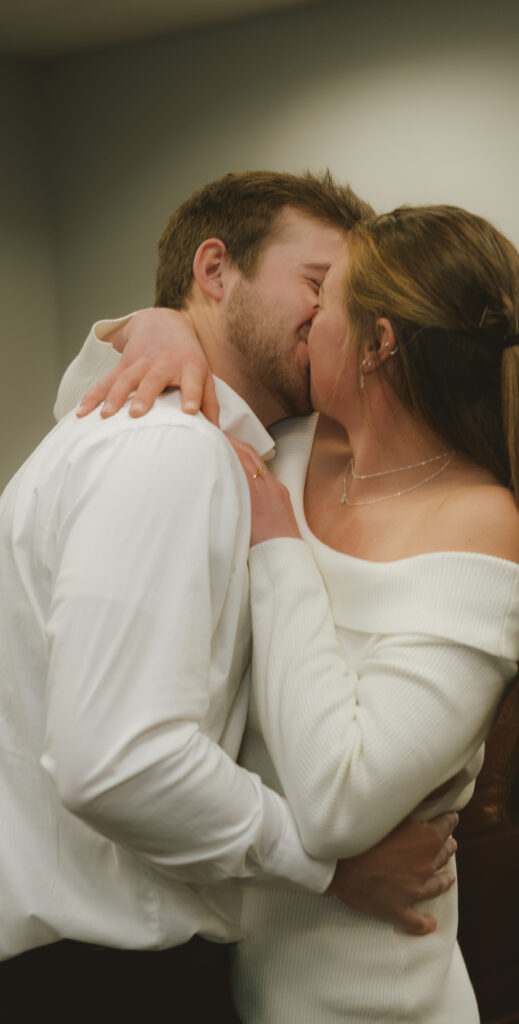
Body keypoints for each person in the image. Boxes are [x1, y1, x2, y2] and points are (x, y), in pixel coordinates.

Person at [66, 203, 519, 1022]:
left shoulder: (480, 523)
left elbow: (337, 800)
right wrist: (165, 326)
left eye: (328, 301)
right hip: (235, 978)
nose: (307, 320)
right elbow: (104, 426)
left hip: (375, 999)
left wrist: (279, 548)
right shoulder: (288, 439)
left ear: (379, 342)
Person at [0, 172, 458, 1012]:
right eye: (316, 286)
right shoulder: (163, 450)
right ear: (215, 271)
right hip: (103, 980)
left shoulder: (155, 432)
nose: (329, 321)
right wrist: (326, 867)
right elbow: (116, 760)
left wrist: (150, 326)